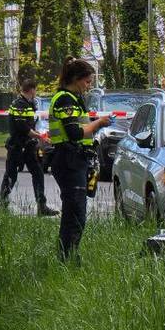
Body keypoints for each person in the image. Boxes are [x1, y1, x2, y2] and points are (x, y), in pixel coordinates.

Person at [48, 59, 113, 261]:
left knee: (75, 212)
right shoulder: (65, 100)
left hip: (75, 159)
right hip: (68, 159)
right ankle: (67, 257)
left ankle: (68, 255)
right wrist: (99, 123)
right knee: (75, 212)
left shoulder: (73, 99)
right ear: (76, 79)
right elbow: (74, 133)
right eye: (87, 81)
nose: (89, 85)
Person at [0, 78, 57, 216]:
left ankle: (41, 206)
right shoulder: (19, 104)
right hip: (17, 146)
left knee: (38, 173)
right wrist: (40, 137)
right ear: (31, 90)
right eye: (35, 89)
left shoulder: (28, 103)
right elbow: (24, 128)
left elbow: (31, 125)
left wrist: (40, 135)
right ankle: (3, 205)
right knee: (11, 175)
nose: (35, 92)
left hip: (28, 146)